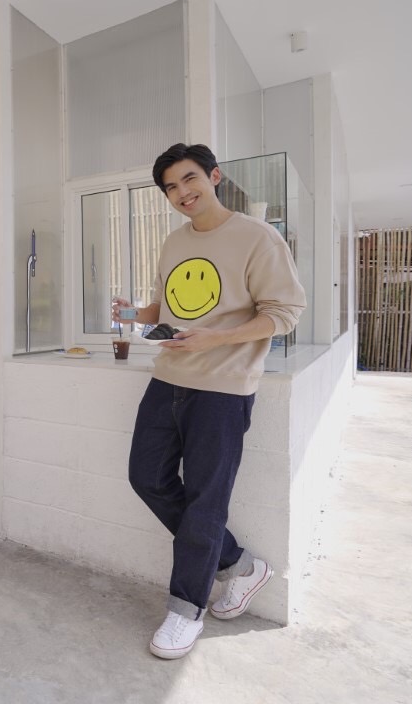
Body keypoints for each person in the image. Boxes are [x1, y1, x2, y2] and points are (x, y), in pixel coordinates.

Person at [112, 143, 305, 660]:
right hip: (168, 378)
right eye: (171, 187)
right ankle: (241, 565)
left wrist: (216, 339)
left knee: (205, 500)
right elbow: (169, 306)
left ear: (214, 176)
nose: (182, 193)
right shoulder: (174, 241)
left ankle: (186, 608)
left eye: (189, 179)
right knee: (146, 477)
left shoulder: (257, 237)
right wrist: (133, 314)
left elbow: (284, 313)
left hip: (223, 387)